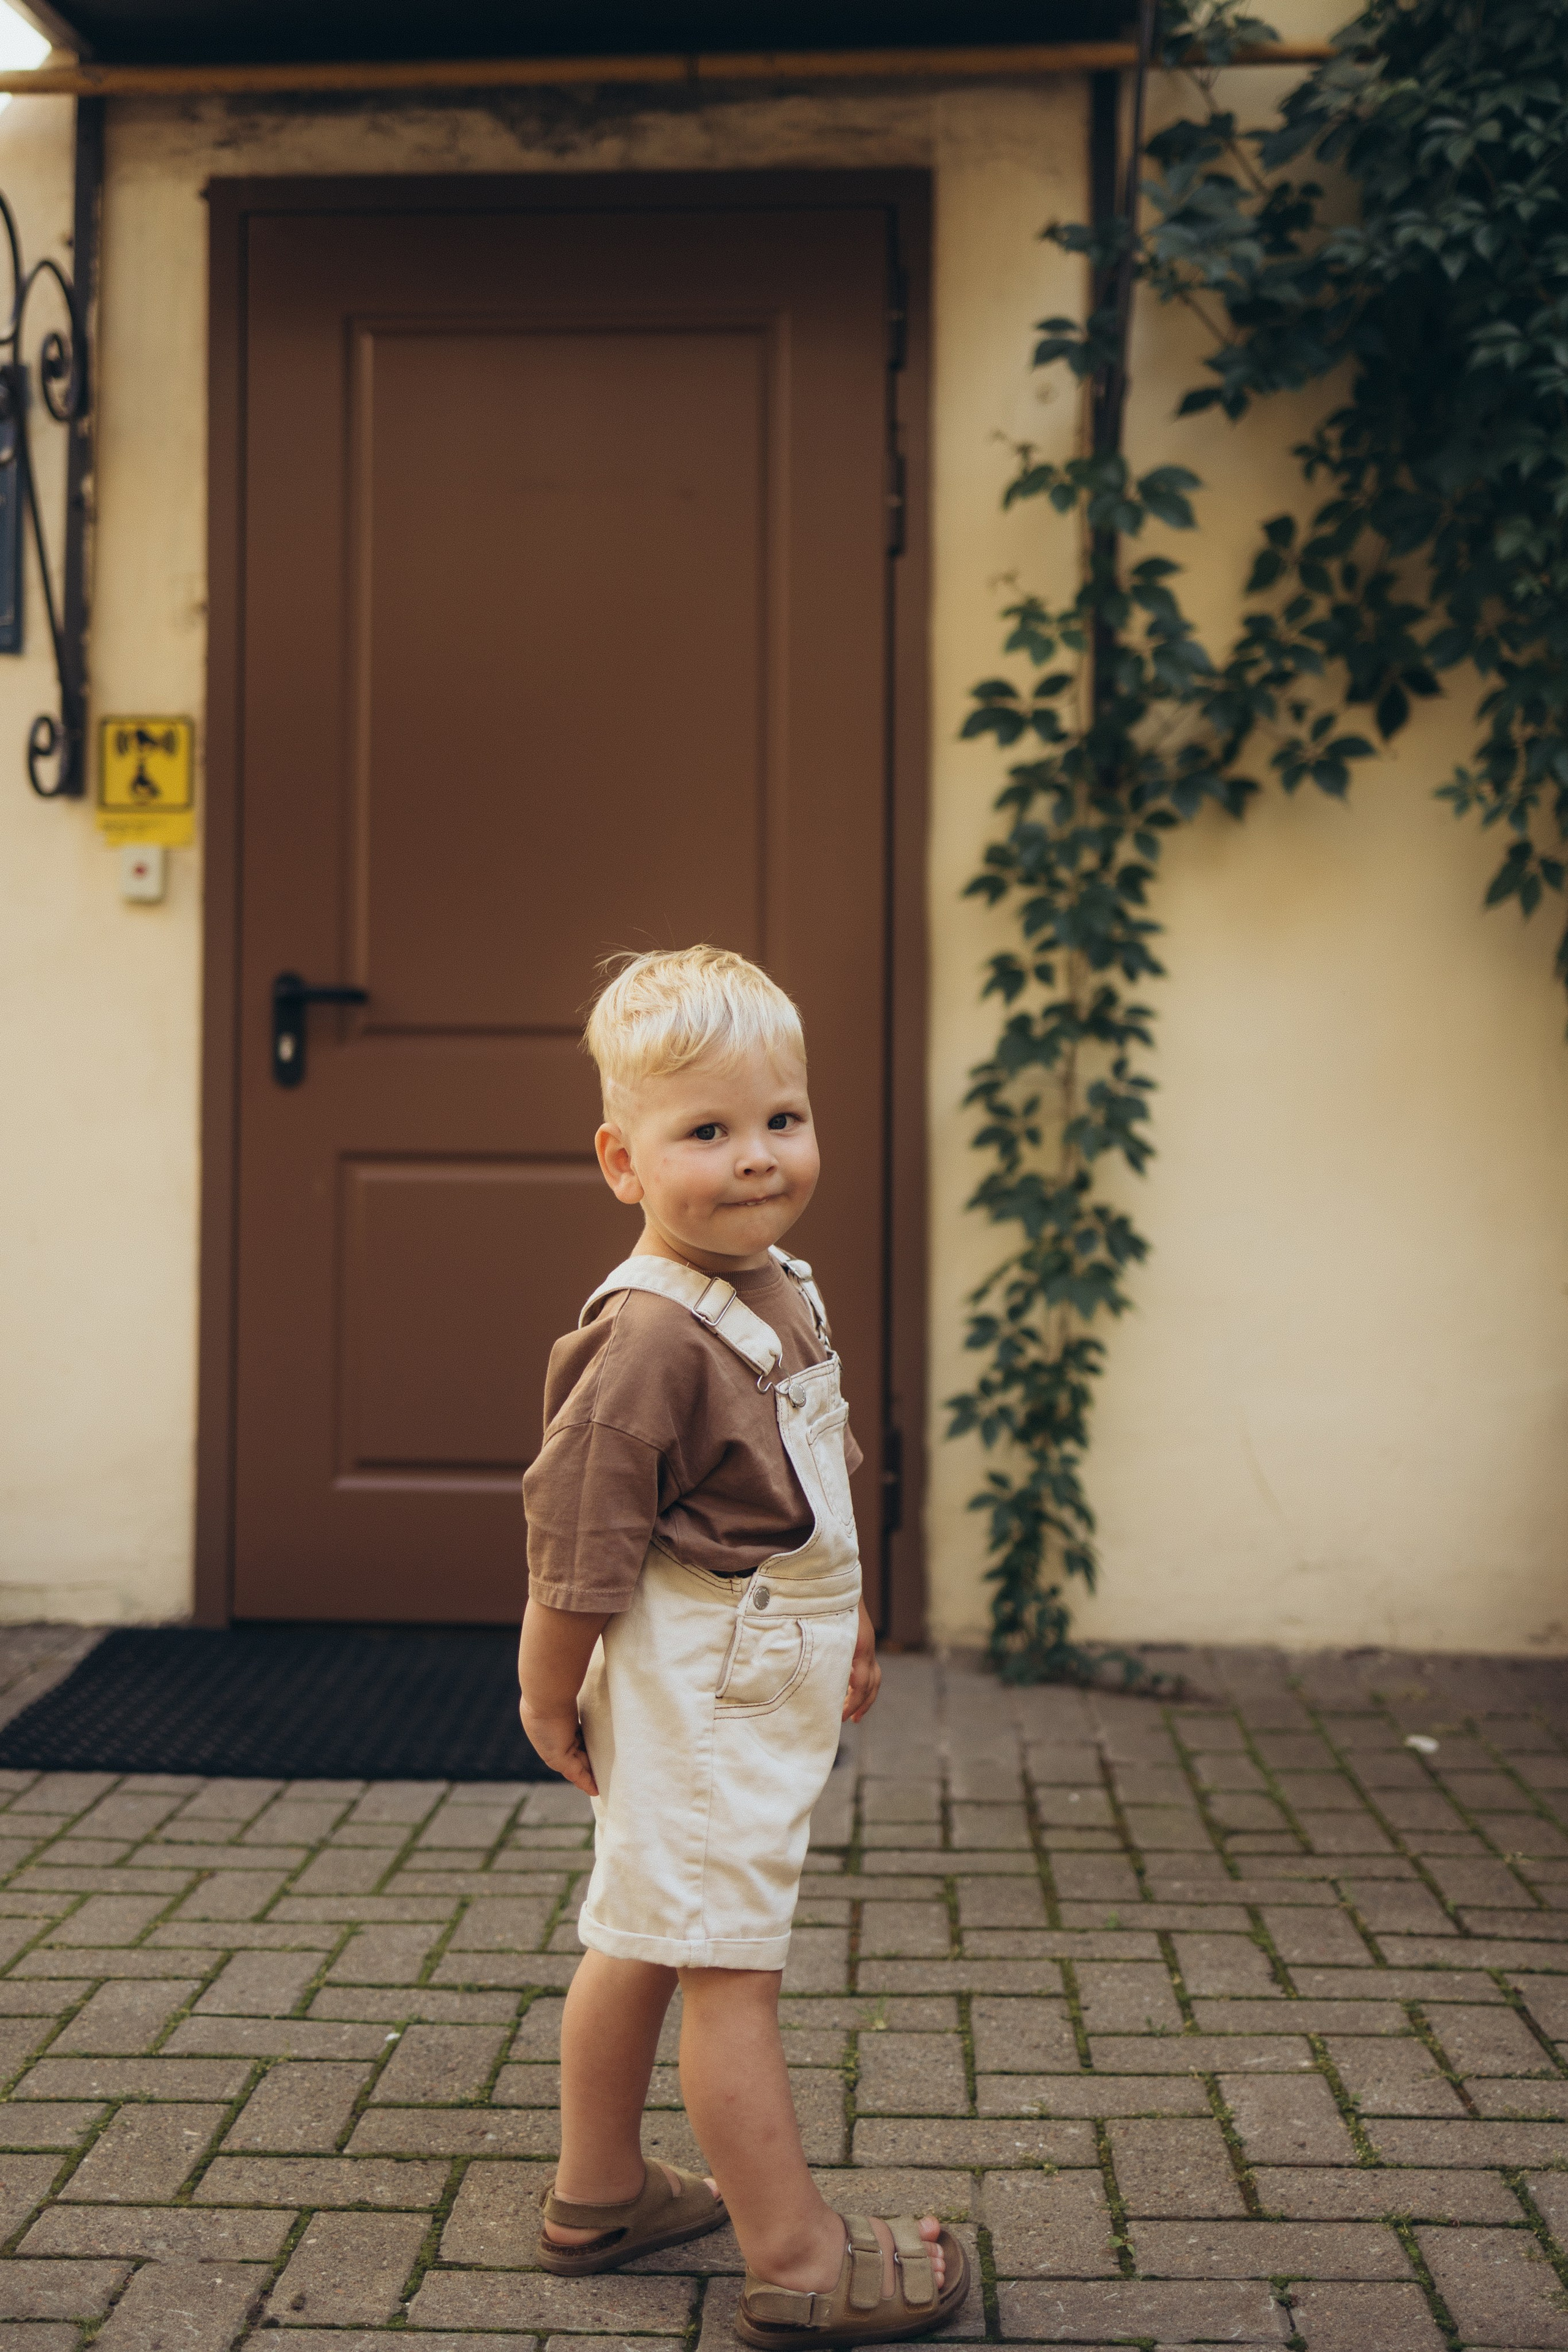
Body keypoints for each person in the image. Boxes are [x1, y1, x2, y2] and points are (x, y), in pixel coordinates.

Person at [517, 946, 967, 2349]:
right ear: (622, 1160)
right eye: (705, 1133)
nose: (757, 1157)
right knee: (726, 1962)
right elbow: (575, 1548)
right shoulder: (649, 1336)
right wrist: (545, 1691)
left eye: (780, 1119)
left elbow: (806, 1475)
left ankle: (599, 2193)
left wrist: (853, 1618)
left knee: (646, 1927)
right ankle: (798, 2258)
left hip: (757, 1659)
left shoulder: (775, 1284)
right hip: (701, 1687)